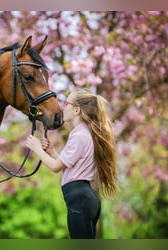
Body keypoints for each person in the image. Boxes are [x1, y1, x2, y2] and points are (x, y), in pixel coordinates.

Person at [26, 87, 117, 239]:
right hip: (84, 198)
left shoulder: (79, 135)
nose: (63, 106)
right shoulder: (84, 133)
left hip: (79, 200)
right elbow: (69, 165)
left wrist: (37, 148)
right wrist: (52, 152)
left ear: (77, 111)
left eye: (66, 103)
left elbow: (55, 167)